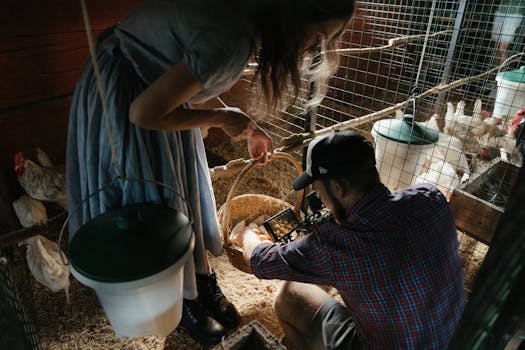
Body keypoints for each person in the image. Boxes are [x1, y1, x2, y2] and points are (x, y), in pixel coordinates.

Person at [66, 0, 356, 345]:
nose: (313, 49)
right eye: (319, 36)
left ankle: (200, 279)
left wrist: (244, 125)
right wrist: (223, 118)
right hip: (131, 92)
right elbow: (143, 113)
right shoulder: (233, 36)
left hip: (156, 90)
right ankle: (182, 299)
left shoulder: (243, 20)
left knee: (184, 187)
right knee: (161, 201)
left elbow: (189, 72)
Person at [232, 130, 466, 349]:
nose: (321, 199)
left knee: (288, 295)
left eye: (318, 190)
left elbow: (259, 260)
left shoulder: (337, 245)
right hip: (457, 339)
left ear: (337, 187)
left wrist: (248, 235)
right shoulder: (431, 199)